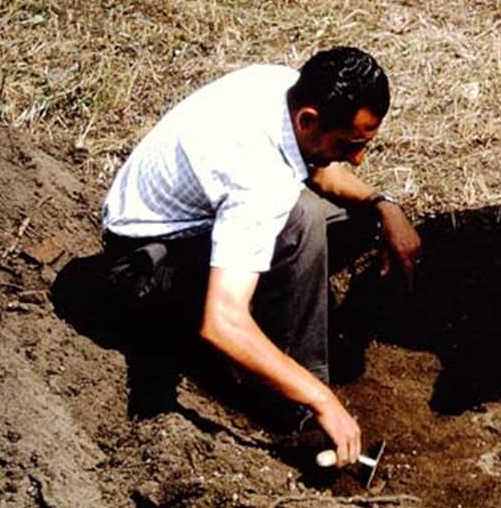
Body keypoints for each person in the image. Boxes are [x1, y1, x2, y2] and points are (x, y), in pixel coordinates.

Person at [101, 47, 421, 467]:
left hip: (188, 232)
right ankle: (299, 417)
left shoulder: (282, 87)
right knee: (303, 220)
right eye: (350, 144)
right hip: (141, 271)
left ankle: (278, 338)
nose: (358, 159)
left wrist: (384, 204)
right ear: (308, 120)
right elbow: (222, 322)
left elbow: (320, 166)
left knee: (353, 218)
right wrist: (321, 398)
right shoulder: (256, 175)